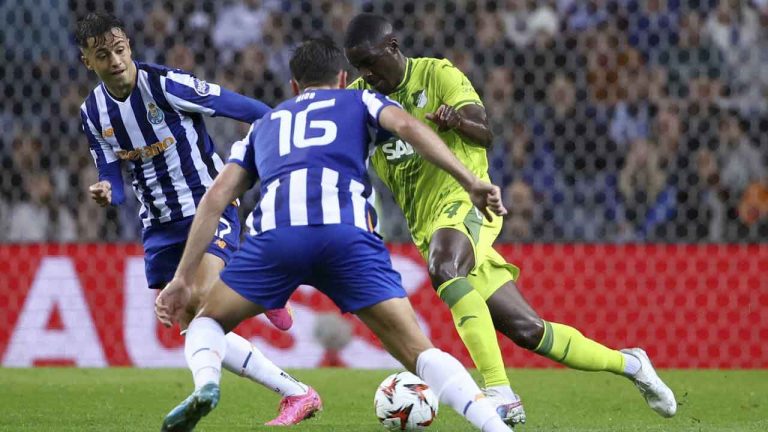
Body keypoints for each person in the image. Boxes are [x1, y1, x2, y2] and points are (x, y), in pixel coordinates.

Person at [154, 37, 514, 432]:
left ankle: (206, 384)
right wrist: (470, 182)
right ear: (343, 78)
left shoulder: (265, 124)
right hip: (346, 236)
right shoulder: (360, 101)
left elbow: (215, 198)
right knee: (419, 353)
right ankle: (494, 427)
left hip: (277, 238)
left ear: (294, 86)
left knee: (206, 322)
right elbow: (409, 127)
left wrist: (182, 279)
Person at [344, 12, 677, 422]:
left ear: (393, 48)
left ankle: (499, 391)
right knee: (528, 330)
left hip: (468, 201)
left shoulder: (437, 75)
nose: (366, 73)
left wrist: (455, 120)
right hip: (427, 224)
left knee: (444, 268)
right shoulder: (359, 99)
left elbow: (485, 131)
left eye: (371, 62)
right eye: (358, 67)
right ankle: (631, 364)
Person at [75, 13, 321, 426]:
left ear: (130, 46)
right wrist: (105, 191)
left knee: (206, 302)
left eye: (119, 50)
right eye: (103, 55)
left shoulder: (167, 85)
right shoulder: (92, 113)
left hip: (208, 207)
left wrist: (273, 151)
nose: (115, 61)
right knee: (195, 323)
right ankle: (297, 393)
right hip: (158, 226)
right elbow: (111, 174)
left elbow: (249, 109)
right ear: (87, 61)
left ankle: (209, 382)